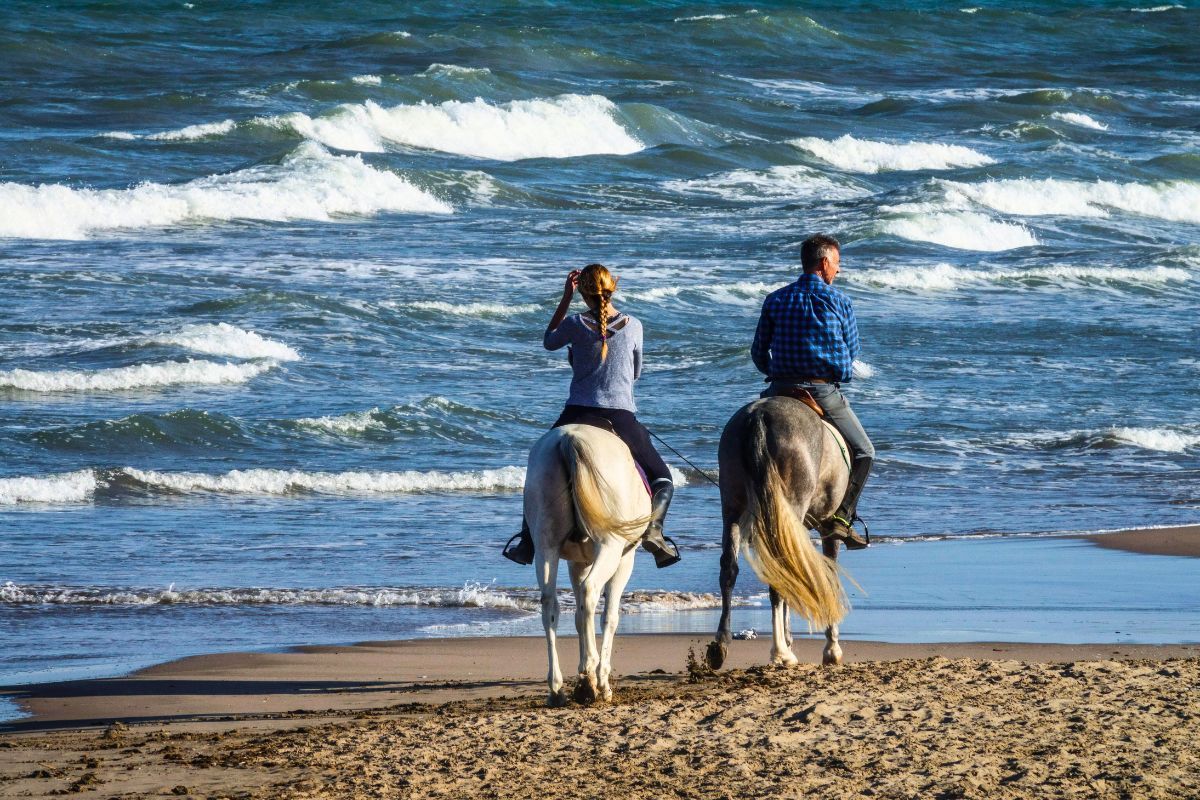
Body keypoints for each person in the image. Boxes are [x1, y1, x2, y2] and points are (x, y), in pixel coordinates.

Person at [502, 263, 681, 568]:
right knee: (663, 477)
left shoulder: (573, 324)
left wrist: (564, 298)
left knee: (538, 468)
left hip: (576, 412)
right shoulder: (634, 325)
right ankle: (654, 532)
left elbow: (548, 341)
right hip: (620, 415)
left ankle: (528, 543)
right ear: (614, 287)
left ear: (583, 293)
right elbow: (635, 374)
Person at [751, 234, 874, 550]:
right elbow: (851, 354)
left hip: (779, 388)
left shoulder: (775, 299)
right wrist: (838, 372)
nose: (838, 270)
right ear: (823, 262)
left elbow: (758, 352)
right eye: (837, 263)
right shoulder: (840, 302)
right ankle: (842, 519)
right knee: (864, 452)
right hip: (820, 392)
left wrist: (775, 373)